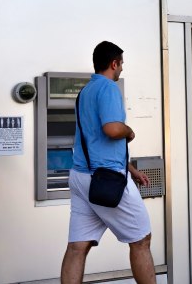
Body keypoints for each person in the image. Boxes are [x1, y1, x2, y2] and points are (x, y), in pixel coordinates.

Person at [61, 41, 156, 284]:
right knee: (141, 240)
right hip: (107, 179)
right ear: (114, 63)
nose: (122, 68)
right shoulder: (109, 88)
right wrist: (129, 131)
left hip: (81, 177)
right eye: (121, 63)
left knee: (77, 247)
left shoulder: (85, 92)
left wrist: (130, 169)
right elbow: (112, 130)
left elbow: (93, 141)